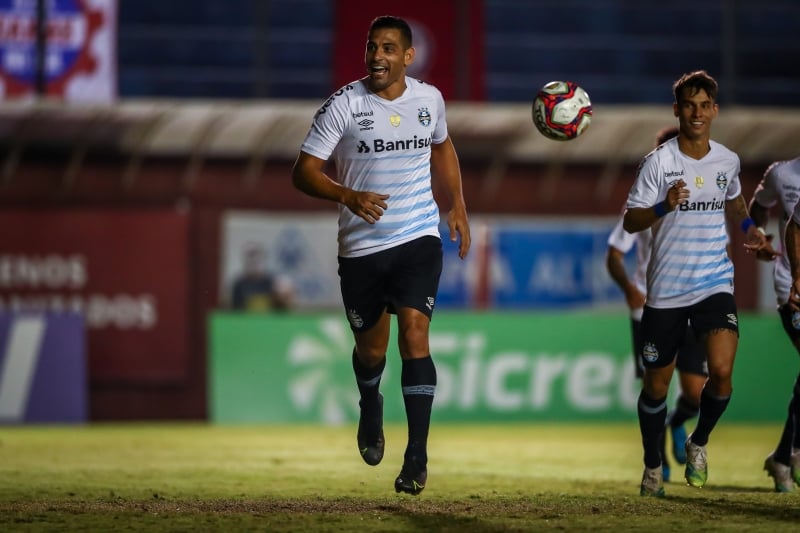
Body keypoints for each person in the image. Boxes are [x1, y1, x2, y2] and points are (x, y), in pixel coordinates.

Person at [290, 15, 471, 496]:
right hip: (362, 248)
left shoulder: (429, 100)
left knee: (415, 334)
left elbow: (443, 147)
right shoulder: (344, 106)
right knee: (372, 351)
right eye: (372, 47)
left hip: (417, 239)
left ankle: (417, 455)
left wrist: (457, 206)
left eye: (388, 48)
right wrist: (348, 196)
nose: (377, 56)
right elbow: (303, 172)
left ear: (407, 56)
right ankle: (370, 401)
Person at [622, 70, 773, 497]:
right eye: (690, 105)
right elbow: (631, 220)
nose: (697, 113)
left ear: (715, 111)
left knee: (722, 373)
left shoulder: (727, 160)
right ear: (678, 110)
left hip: (713, 282)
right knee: (656, 387)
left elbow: (735, 199)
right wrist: (662, 206)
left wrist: (749, 228)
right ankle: (653, 466)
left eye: (705, 105)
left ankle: (698, 441)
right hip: (666, 291)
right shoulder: (659, 163)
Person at [606, 126, 708, 483]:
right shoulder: (640, 202)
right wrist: (629, 290)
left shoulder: (700, 197)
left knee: (696, 392)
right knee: (656, 388)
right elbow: (614, 255)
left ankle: (680, 423)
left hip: (693, 302)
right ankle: (657, 459)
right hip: (650, 308)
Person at [749, 156, 800, 492]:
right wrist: (759, 237)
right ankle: (787, 454)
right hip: (791, 288)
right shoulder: (783, 173)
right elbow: (761, 209)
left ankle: (784, 454)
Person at [231, 244, 293, 312]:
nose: (254, 266)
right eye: (251, 262)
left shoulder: (272, 283)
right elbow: (234, 308)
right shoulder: (239, 285)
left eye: (257, 261)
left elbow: (281, 308)